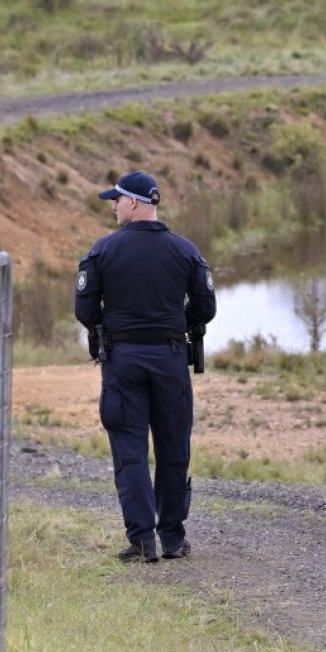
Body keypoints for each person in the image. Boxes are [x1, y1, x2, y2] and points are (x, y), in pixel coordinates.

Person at [74, 170, 217, 563]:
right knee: (173, 448)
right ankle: (172, 538)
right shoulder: (186, 250)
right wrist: (175, 325)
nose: (114, 207)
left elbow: (85, 310)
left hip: (123, 362)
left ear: (134, 202)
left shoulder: (102, 251)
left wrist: (116, 326)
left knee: (130, 450)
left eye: (116, 200)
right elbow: (206, 308)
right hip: (171, 359)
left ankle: (142, 542)